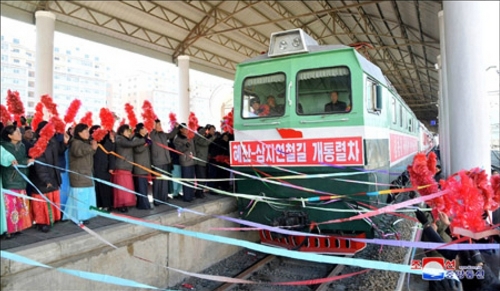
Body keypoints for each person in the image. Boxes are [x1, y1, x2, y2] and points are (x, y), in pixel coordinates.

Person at [29, 121, 68, 232]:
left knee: (51, 198)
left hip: (53, 175)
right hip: (42, 180)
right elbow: (39, 165)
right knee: (42, 201)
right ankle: (42, 223)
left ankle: (52, 219)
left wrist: (64, 143)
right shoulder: (38, 145)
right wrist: (46, 179)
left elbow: (59, 151)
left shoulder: (52, 141)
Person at [1, 125, 34, 235]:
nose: (20, 134)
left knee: (20, 206)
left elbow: (22, 159)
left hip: (21, 178)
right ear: (10, 135)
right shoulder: (3, 147)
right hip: (10, 180)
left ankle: (18, 227)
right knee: (10, 206)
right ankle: (9, 230)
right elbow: (9, 163)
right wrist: (25, 162)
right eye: (17, 132)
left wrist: (28, 160)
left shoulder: (22, 146)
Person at [63, 123, 98, 224]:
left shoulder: (85, 143)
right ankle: (79, 217)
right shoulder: (75, 143)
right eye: (85, 131)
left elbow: (88, 153)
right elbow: (78, 152)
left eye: (88, 131)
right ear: (79, 133)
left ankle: (84, 216)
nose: (88, 133)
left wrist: (92, 147)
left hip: (86, 174)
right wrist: (92, 148)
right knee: (80, 198)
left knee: (86, 197)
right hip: (79, 175)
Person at [113, 124, 145, 212]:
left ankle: (126, 203)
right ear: (122, 132)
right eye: (127, 131)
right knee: (122, 188)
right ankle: (121, 204)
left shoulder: (125, 139)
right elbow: (130, 144)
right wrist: (144, 140)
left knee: (127, 186)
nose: (128, 133)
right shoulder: (120, 139)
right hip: (121, 166)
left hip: (127, 167)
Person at [149, 119, 179, 205]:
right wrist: (154, 126)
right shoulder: (152, 134)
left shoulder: (163, 134)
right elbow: (151, 133)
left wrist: (176, 128)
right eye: (158, 124)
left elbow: (170, 135)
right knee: (158, 182)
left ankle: (163, 198)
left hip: (166, 161)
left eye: (160, 124)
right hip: (157, 162)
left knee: (164, 181)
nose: (160, 126)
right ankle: (157, 200)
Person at [89, 125, 115, 211]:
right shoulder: (92, 143)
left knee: (105, 187)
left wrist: (111, 167)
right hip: (94, 168)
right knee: (97, 187)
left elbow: (111, 156)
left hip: (105, 168)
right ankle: (99, 204)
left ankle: (107, 205)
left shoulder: (107, 142)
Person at [174, 123, 196, 202]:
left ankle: (191, 195)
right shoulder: (178, 139)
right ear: (181, 130)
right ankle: (187, 197)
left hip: (191, 160)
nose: (187, 130)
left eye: (187, 128)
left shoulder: (189, 137)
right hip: (185, 161)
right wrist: (186, 145)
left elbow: (193, 149)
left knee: (191, 179)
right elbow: (179, 150)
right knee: (186, 179)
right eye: (185, 128)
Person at [132, 123, 151, 210]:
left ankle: (144, 204)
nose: (146, 130)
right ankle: (144, 205)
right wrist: (146, 144)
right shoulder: (136, 139)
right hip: (140, 167)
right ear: (139, 130)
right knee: (141, 187)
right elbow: (138, 150)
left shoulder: (144, 139)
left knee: (144, 186)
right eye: (144, 128)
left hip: (145, 166)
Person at [194, 125, 217, 198]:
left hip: (204, 160)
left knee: (203, 178)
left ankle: (200, 192)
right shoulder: (200, 137)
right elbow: (205, 143)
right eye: (212, 130)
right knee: (201, 177)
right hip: (199, 161)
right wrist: (213, 137)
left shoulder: (205, 136)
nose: (213, 132)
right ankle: (199, 192)